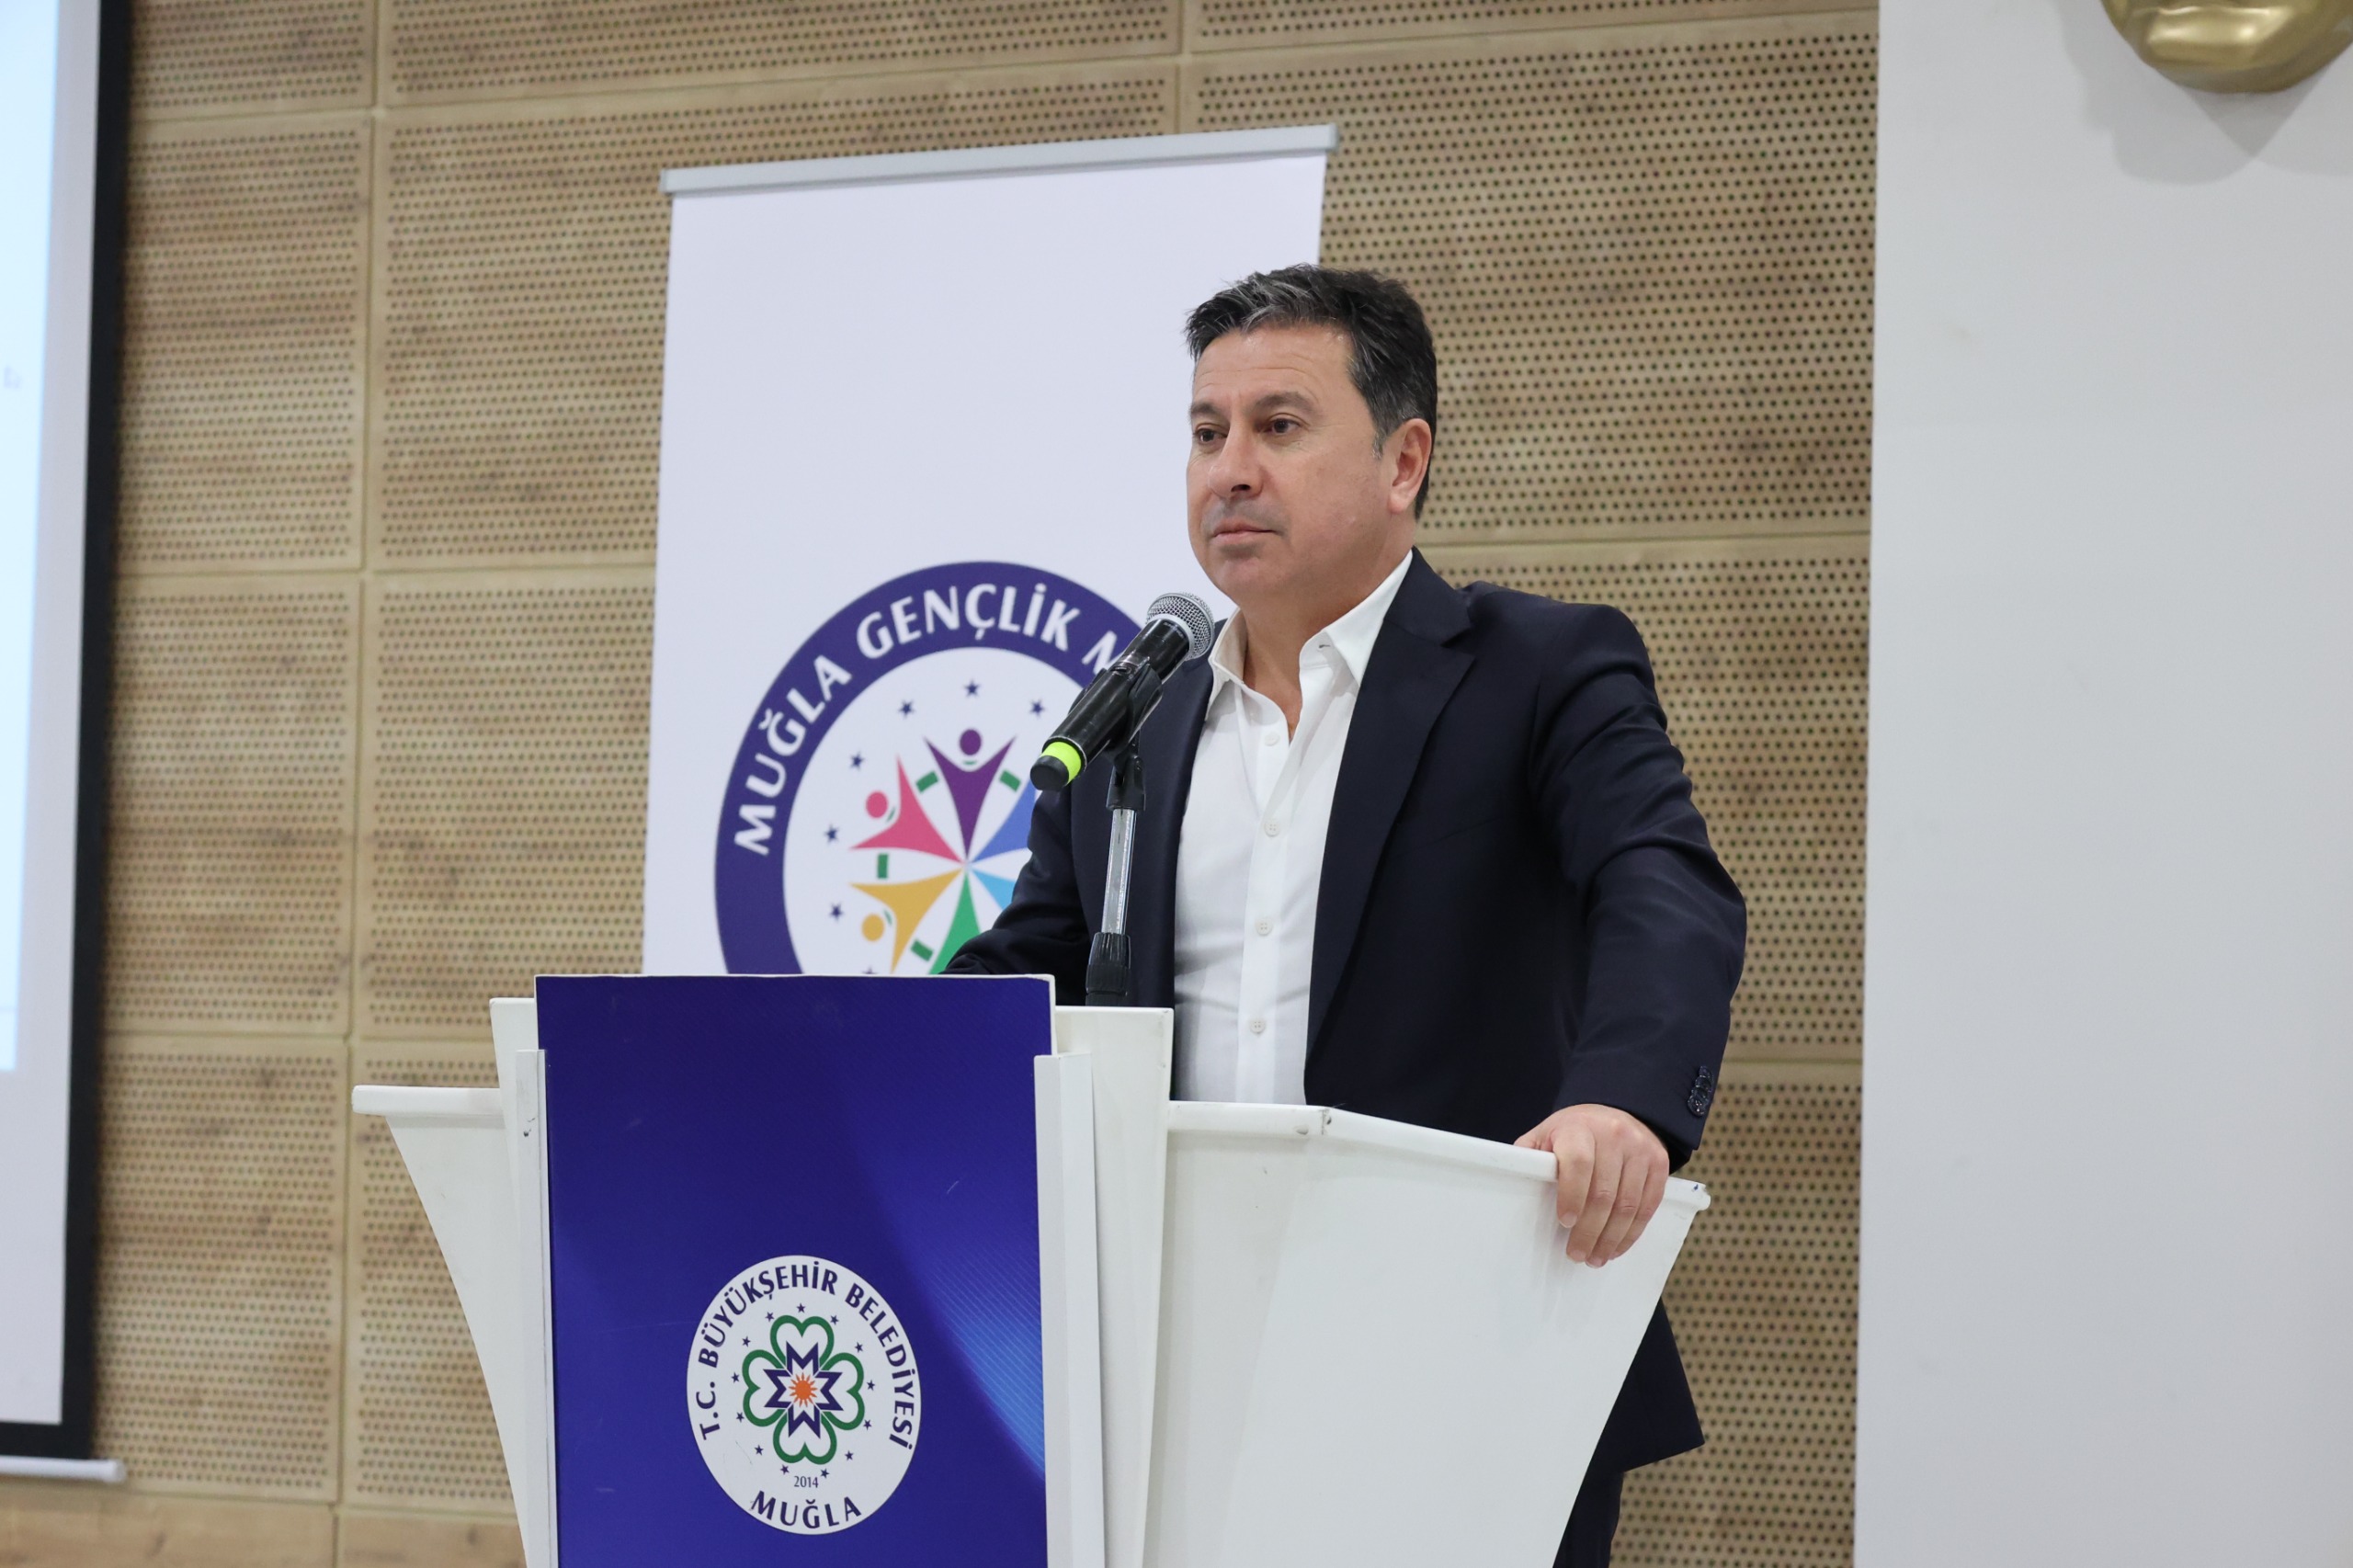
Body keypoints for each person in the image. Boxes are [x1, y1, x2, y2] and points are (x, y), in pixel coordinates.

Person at [949, 264, 1745, 1566]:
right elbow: (1031, 965)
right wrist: (867, 1068)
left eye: (1279, 426)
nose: (1231, 471)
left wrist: (1623, 1099)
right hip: (1168, 1360)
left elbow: (1662, 883)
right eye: (1207, 432)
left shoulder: (1539, 671)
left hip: (1465, 1341)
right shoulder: (1135, 720)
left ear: (1403, 461)